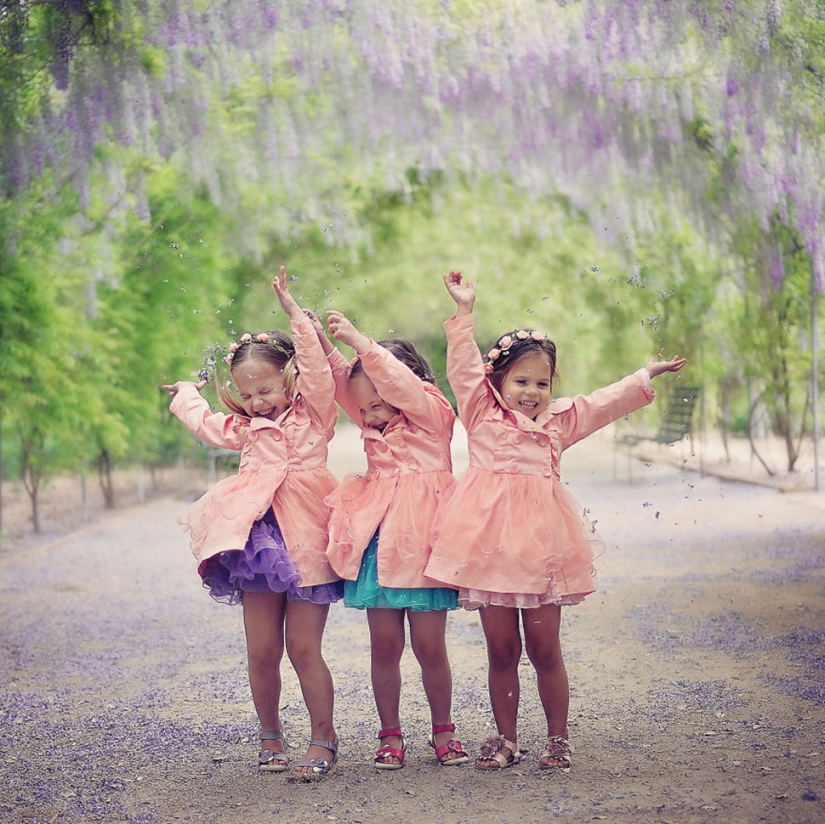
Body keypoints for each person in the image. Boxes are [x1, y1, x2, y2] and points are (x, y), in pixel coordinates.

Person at [425, 271, 687, 773]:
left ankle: (557, 739)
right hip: (489, 555)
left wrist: (643, 375)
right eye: (521, 381)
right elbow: (461, 368)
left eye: (541, 383)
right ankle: (505, 738)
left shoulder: (558, 423)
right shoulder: (480, 413)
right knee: (501, 650)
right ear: (498, 381)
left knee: (545, 648)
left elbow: (601, 403)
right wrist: (464, 313)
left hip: (543, 552)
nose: (531, 392)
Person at [161, 267, 342, 782]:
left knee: (304, 648)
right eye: (248, 393)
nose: (258, 401)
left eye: (266, 389)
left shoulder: (316, 415)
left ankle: (323, 737)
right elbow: (205, 424)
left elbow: (321, 373)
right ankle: (269, 735)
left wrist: (293, 314)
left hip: (308, 538)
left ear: (288, 378)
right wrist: (185, 395)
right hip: (259, 546)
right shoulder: (247, 427)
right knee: (262, 648)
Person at [310, 308, 469, 769]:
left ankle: (444, 730)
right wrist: (321, 339)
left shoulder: (432, 414)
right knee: (384, 645)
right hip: (378, 549)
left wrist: (361, 341)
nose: (370, 415)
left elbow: (395, 385)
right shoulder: (370, 419)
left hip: (423, 549)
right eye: (364, 408)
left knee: (429, 646)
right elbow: (346, 382)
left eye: (378, 404)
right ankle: (390, 734)